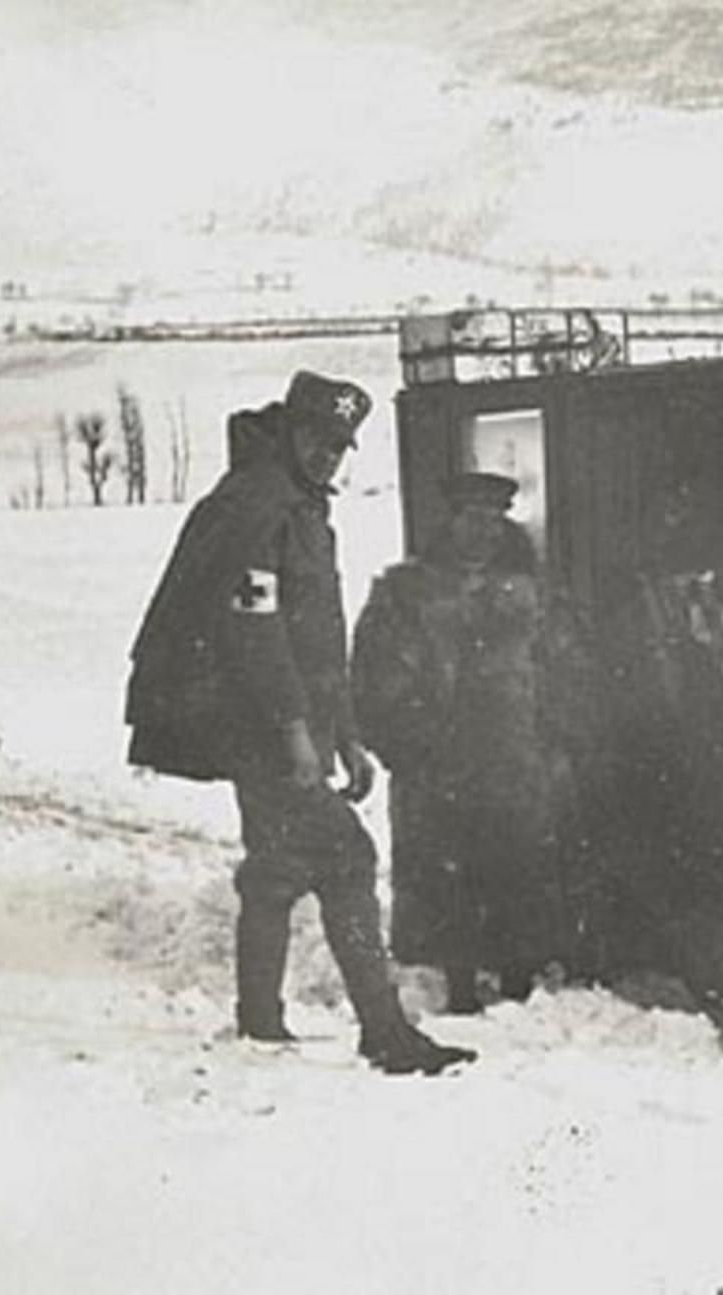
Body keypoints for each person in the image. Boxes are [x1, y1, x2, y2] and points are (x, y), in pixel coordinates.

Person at [124, 370, 475, 1076]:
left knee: (279, 866)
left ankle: (260, 1022)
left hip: (292, 720)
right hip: (262, 723)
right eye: (318, 438)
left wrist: (344, 732)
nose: (328, 455)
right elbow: (253, 633)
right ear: (290, 427)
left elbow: (317, 636)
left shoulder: (299, 505)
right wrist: (293, 733)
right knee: (347, 857)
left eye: (341, 446)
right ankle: (384, 1032)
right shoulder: (259, 503)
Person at [352, 472, 596, 1013]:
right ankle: (458, 985)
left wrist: (556, 742)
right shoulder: (406, 593)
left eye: (493, 520)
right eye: (470, 519)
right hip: (440, 771)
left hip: (519, 766)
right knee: (445, 876)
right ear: (450, 522)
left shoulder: (537, 595)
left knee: (521, 870)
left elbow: (570, 671)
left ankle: (517, 980)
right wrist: (410, 748)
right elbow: (374, 678)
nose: (482, 532)